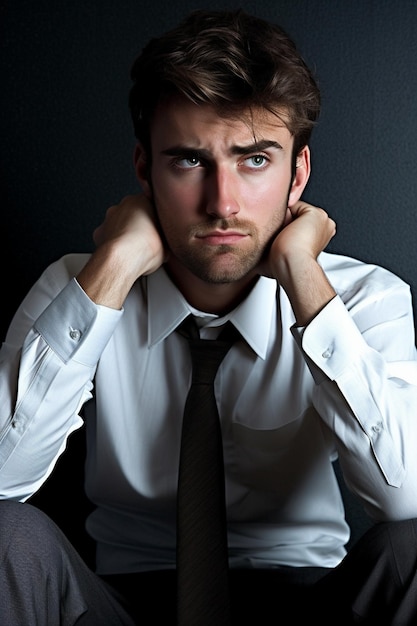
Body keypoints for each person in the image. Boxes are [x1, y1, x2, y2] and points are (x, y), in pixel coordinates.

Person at [1, 8, 417, 625]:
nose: (222, 204)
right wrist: (113, 266)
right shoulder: (78, 287)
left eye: (254, 160)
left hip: (310, 604)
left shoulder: (362, 299)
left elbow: (403, 498)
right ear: (144, 169)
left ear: (297, 172)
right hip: (120, 606)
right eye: (190, 161)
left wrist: (305, 280)